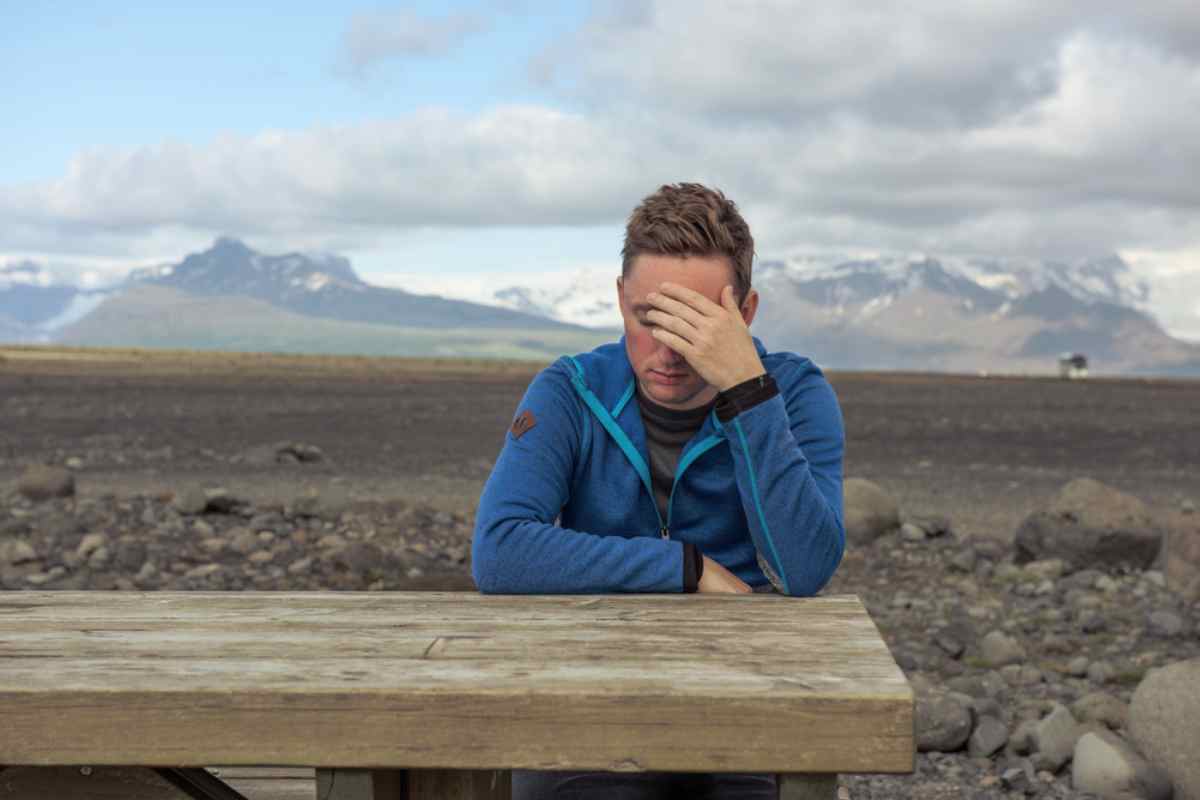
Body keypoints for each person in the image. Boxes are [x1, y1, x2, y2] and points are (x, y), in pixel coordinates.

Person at [471, 182, 846, 799]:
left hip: (745, 714)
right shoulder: (570, 390)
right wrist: (683, 565)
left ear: (744, 314)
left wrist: (747, 391)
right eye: (649, 318)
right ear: (620, 299)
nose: (669, 349)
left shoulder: (794, 394)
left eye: (695, 322)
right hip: (588, 707)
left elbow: (805, 568)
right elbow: (500, 549)